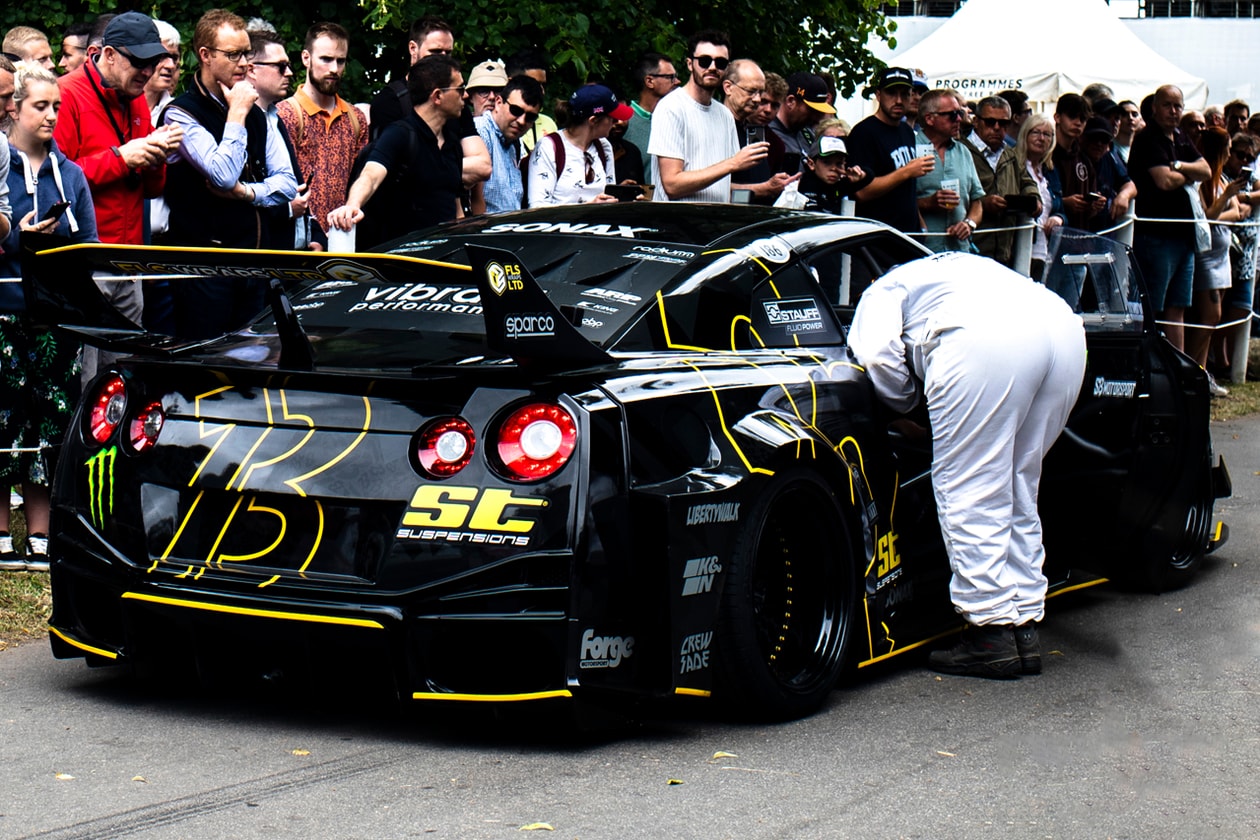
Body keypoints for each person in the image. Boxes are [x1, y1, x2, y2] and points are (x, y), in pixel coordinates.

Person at [847, 251, 1087, 679]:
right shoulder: (949, 267)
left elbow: (878, 357)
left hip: (987, 340)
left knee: (971, 489)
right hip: (1062, 328)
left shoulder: (880, 291)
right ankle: (1023, 625)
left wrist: (909, 408)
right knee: (1017, 482)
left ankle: (990, 634)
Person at [0, 62, 96, 571]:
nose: (52, 116)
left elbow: (90, 247)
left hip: (53, 321)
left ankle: (40, 533)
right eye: (41, 106)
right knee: (3, 418)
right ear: (14, 107)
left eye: (57, 106)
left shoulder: (72, 173)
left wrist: (58, 243)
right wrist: (18, 236)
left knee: (49, 422)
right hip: (5, 309)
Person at [55, 11, 181, 374]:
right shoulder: (67, 94)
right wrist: (121, 158)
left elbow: (151, 190)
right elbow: (58, 181)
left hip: (128, 263)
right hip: (85, 263)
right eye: (138, 61)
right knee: (84, 378)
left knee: (120, 375)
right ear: (107, 54)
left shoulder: (136, 96)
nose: (147, 71)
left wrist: (157, 157)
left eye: (153, 61)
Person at [328, 54, 465, 247]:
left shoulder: (452, 143)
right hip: (404, 262)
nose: (465, 95)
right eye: (460, 89)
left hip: (443, 261)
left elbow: (455, 206)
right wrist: (352, 206)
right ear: (437, 96)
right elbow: (371, 175)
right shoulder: (400, 134)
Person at [1128, 84, 1210, 352]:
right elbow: (1163, 182)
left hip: (1183, 238)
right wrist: (1188, 173)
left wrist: (1178, 166)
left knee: (1178, 307)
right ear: (1155, 108)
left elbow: (1206, 170)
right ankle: (1150, 368)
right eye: (1168, 105)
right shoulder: (1147, 138)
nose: (1174, 111)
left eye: (1178, 106)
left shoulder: (1181, 137)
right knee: (1153, 306)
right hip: (1156, 237)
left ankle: (1178, 370)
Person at [647, 29, 764, 203]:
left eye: (721, 63)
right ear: (689, 64)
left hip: (716, 223)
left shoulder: (725, 115)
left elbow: (723, 183)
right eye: (704, 61)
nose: (712, 67)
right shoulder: (670, 107)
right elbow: (671, 185)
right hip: (676, 224)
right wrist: (733, 163)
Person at [276, 22, 368, 238]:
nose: (334, 69)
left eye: (340, 61)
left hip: (343, 237)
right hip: (297, 239)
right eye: (326, 59)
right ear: (306, 58)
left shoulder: (356, 119)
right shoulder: (285, 114)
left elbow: (360, 181)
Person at [1186, 126, 1245, 395]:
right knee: (1210, 315)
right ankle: (1191, 370)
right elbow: (1208, 215)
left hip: (1222, 255)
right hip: (1207, 256)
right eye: (1229, 150)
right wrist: (1226, 198)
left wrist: (1225, 205)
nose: (1232, 154)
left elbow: (1237, 213)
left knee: (1213, 319)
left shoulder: (1222, 180)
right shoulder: (1205, 181)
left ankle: (1202, 373)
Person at [846, 67, 934, 234]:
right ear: (878, 95)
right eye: (891, 93)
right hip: (878, 237)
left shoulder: (907, 131)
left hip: (909, 233)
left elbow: (909, 189)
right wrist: (906, 171)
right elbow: (862, 192)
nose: (899, 100)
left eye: (905, 93)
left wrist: (920, 223)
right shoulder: (864, 133)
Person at [526, 84, 628, 206]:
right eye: (613, 118)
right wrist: (588, 208)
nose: (617, 122)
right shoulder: (550, 147)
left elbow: (609, 197)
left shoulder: (604, 147)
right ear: (593, 120)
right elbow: (537, 207)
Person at [914, 89, 983, 253]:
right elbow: (896, 203)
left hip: (959, 251)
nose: (959, 119)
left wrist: (969, 224)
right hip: (921, 251)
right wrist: (927, 203)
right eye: (952, 115)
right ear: (930, 119)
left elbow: (977, 201)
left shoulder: (963, 152)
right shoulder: (911, 149)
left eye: (959, 113)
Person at [722, 59, 794, 204]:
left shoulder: (774, 143)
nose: (767, 110)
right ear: (728, 87)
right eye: (763, 101)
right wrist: (763, 188)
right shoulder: (717, 124)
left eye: (775, 105)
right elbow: (711, 189)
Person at [475, 74, 543, 213]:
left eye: (530, 117)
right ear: (499, 102)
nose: (522, 121)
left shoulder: (516, 143)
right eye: (516, 110)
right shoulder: (480, 132)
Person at [1017, 113, 1064, 279]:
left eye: (1047, 134)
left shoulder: (1050, 172)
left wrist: (1058, 218)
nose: (1041, 138)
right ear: (1025, 134)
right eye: (1036, 132)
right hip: (1021, 246)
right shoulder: (1015, 166)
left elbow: (1061, 208)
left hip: (1044, 249)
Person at [767, 71, 835, 166]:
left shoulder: (807, 135)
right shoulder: (767, 136)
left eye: (820, 112)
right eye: (811, 110)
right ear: (791, 101)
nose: (817, 117)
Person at [623, 52, 678, 163]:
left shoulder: (677, 119)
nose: (677, 82)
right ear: (649, 81)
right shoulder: (622, 123)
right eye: (670, 77)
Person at [796, 129, 868, 214]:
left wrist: (861, 175)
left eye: (839, 163)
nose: (834, 168)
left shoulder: (840, 185)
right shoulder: (802, 185)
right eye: (827, 162)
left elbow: (869, 175)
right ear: (811, 164)